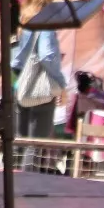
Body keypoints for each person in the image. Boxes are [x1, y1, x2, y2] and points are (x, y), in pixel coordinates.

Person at [13, 28, 68, 172]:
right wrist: (60, 85)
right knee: (35, 143)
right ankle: (27, 185)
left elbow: (16, 59)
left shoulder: (26, 24)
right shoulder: (46, 24)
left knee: (19, 141)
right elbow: (47, 56)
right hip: (39, 88)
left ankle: (10, 182)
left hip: (20, 85)